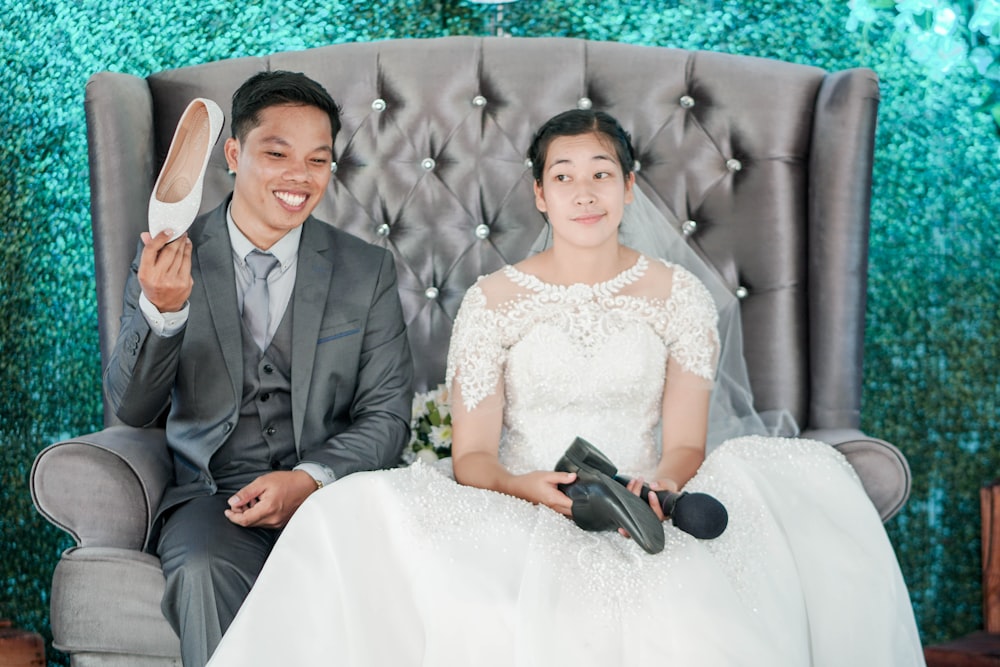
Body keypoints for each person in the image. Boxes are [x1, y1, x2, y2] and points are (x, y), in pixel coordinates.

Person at [206, 109, 924, 666]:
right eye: (565, 176)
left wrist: (653, 486)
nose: (585, 192)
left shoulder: (680, 297)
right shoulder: (492, 300)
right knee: (349, 511)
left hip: (645, 495)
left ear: (629, 186)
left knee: (785, 519)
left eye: (602, 174)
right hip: (522, 501)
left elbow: (685, 440)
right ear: (541, 194)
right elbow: (475, 459)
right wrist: (529, 488)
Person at [104, 71, 413, 667]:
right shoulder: (170, 255)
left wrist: (311, 479)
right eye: (277, 153)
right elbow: (132, 408)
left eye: (318, 160)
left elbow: (388, 415)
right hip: (212, 499)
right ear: (233, 153)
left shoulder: (365, 270)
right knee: (201, 569)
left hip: (336, 500)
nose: (299, 176)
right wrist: (162, 313)